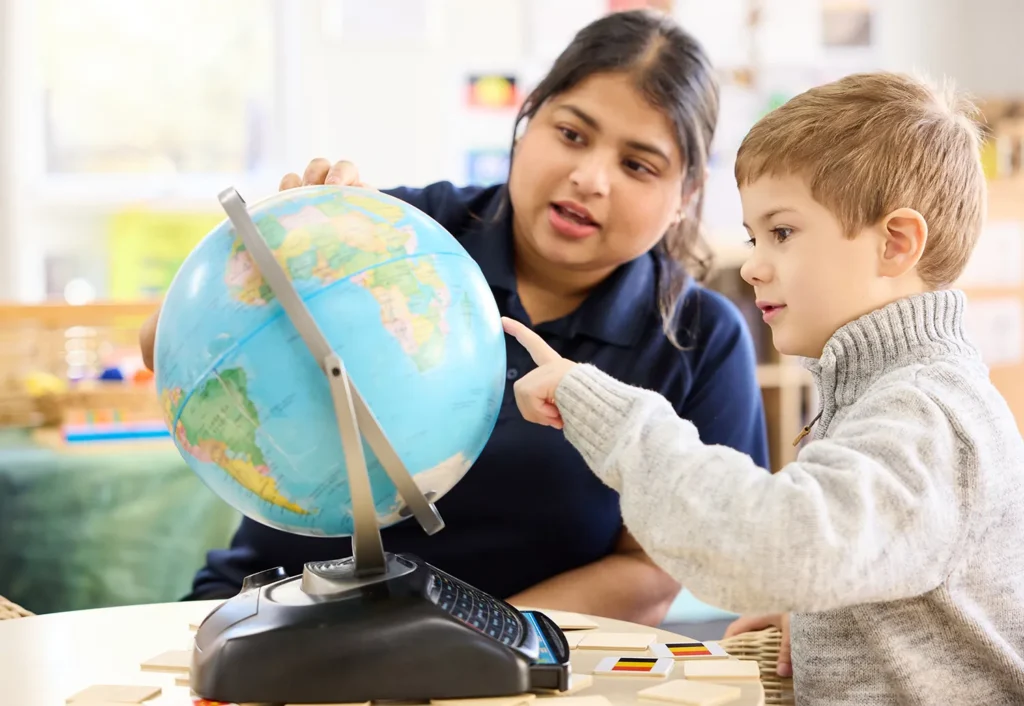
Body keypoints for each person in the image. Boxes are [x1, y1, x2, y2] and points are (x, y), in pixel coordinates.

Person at [140, 9, 768, 626]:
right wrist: (271, 249)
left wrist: (479, 640)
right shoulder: (394, 239)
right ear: (527, 122)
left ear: (686, 195)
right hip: (268, 621)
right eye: (572, 134)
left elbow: (653, 569)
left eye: (637, 165)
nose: (589, 178)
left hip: (514, 658)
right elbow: (158, 347)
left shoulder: (699, 338)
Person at [502, 71, 1024, 704]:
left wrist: (608, 414)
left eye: (782, 232)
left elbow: (778, 545)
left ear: (895, 244)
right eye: (754, 237)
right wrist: (824, 616)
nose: (752, 265)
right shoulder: (886, 393)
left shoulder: (928, 414)